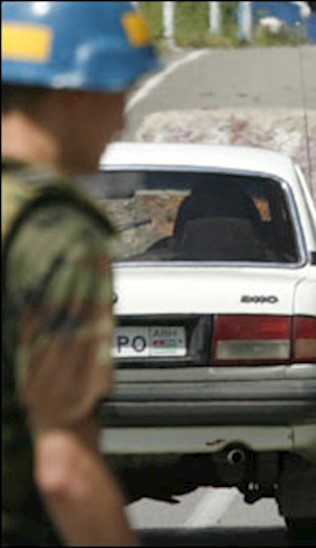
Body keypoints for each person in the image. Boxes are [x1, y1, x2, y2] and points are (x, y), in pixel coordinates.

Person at [2, 2, 160, 545]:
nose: (121, 119)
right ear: (73, 93)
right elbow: (65, 471)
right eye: (118, 93)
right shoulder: (55, 233)